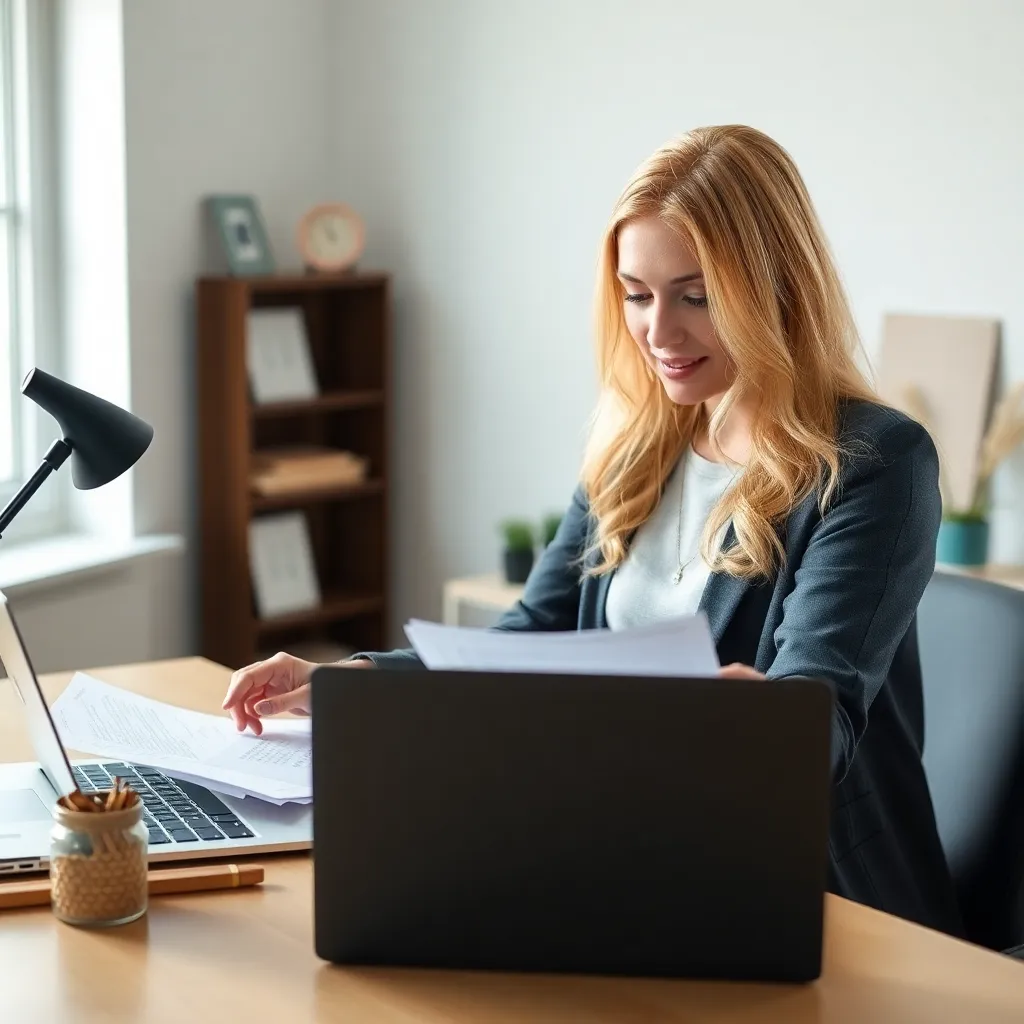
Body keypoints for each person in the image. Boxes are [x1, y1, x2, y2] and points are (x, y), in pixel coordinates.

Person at [223, 124, 962, 936]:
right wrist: (349, 679)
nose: (658, 333)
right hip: (622, 847)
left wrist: (764, 725)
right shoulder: (635, 445)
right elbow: (527, 638)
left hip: (812, 893)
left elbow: (820, 717)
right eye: (637, 294)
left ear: (775, 287)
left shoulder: (872, 461)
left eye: (697, 294)